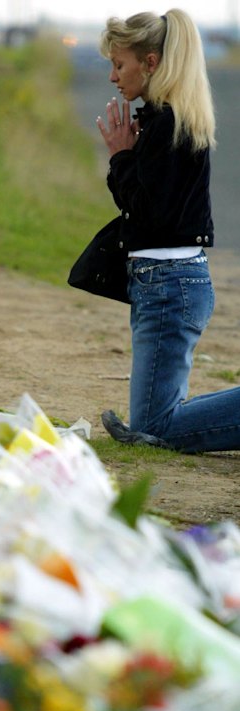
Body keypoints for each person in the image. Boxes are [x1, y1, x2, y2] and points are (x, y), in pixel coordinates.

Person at [95, 8, 240, 453]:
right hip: (168, 282)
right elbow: (148, 209)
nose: (114, 77)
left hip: (169, 285)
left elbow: (146, 214)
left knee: (156, 428)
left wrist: (121, 156)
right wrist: (130, 157)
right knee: (157, 420)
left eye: (120, 65)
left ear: (151, 62)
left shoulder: (167, 124)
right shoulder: (168, 120)